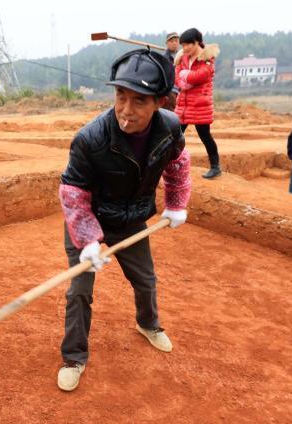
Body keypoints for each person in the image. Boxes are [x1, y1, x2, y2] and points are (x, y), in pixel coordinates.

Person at [56, 49, 192, 392]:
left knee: (146, 280)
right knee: (79, 292)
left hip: (130, 218)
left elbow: (178, 164)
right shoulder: (91, 138)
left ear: (160, 102)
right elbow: (73, 192)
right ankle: (74, 356)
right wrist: (87, 240)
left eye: (139, 101)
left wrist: (176, 203)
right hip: (87, 217)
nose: (126, 110)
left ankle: (149, 324)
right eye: (120, 96)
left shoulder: (171, 128)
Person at [174, 27, 221, 179]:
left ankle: (215, 167)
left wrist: (186, 75)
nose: (185, 48)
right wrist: (183, 83)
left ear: (197, 43)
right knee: (175, 134)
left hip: (200, 104)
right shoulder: (183, 57)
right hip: (184, 103)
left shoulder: (207, 58)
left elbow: (202, 75)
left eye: (188, 44)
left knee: (205, 135)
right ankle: (171, 163)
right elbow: (177, 74)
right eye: (183, 45)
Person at [163, 32, 180, 111]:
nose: (174, 43)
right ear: (167, 43)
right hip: (170, 91)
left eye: (176, 41)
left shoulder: (183, 56)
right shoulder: (163, 58)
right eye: (171, 41)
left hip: (182, 91)